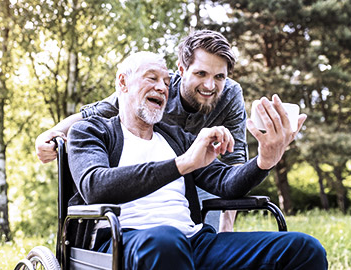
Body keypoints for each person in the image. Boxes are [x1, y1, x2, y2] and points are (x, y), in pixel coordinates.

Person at [67, 51, 327, 270]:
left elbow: (226, 184)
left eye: (167, 82)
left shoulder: (178, 138)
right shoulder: (91, 131)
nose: (162, 87)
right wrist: (182, 164)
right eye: (152, 78)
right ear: (123, 82)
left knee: (304, 249)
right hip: (121, 242)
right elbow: (95, 186)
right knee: (166, 241)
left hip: (192, 241)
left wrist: (265, 160)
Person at [36, 30, 247, 232]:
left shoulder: (230, 95)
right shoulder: (159, 87)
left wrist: (226, 228)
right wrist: (51, 133)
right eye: (201, 73)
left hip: (200, 173)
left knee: (208, 233)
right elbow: (98, 111)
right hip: (149, 170)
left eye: (219, 77)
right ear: (182, 71)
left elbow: (234, 160)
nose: (210, 85)